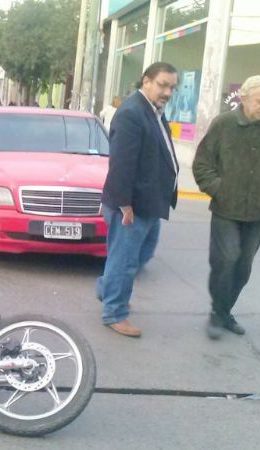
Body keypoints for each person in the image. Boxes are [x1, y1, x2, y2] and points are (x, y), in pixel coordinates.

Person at [193, 75, 260, 339]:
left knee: (243, 267)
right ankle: (218, 312)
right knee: (225, 260)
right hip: (226, 209)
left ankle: (224, 311)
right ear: (244, 98)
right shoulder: (223, 124)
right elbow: (202, 164)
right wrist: (219, 189)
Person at [96, 62, 179, 338]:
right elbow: (121, 163)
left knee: (142, 254)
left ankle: (108, 289)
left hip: (149, 200)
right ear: (146, 81)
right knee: (125, 260)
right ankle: (114, 312)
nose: (167, 91)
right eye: (162, 84)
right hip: (131, 204)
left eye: (171, 87)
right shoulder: (132, 112)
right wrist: (124, 204)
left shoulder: (152, 110)